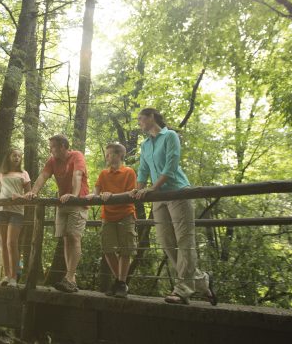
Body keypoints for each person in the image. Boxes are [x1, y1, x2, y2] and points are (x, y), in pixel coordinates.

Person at [131, 108, 217, 305]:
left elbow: (171, 165)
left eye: (141, 118)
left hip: (178, 192)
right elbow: (143, 170)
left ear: (151, 117)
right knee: (166, 241)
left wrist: (152, 188)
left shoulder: (170, 135)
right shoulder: (145, 145)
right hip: (158, 198)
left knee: (184, 240)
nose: (139, 123)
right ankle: (202, 282)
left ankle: (183, 290)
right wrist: (138, 190)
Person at [23, 134, 89, 293]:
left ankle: (69, 277)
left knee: (74, 236)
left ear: (62, 146)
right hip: (62, 202)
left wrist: (73, 194)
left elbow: (77, 175)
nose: (50, 149)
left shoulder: (76, 156)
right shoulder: (52, 161)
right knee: (66, 238)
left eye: (52, 146)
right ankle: (70, 279)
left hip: (78, 201)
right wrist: (33, 192)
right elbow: (43, 176)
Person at [87, 142, 137, 298]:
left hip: (126, 213)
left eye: (109, 154)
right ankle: (120, 282)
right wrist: (93, 196)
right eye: (106, 154)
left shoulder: (129, 172)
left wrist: (111, 196)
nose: (106, 157)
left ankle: (120, 283)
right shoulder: (103, 174)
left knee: (125, 249)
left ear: (119, 155)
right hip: (107, 216)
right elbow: (97, 191)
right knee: (107, 249)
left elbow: (131, 193)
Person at [0, 148, 31, 286]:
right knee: (3, 243)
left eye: (19, 156)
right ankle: (6, 276)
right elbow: (2, 193)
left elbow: (30, 195)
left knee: (11, 243)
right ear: (8, 157)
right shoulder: (1, 174)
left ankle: (14, 277)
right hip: (0, 210)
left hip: (17, 211)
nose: (17, 158)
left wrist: (20, 196)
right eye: (14, 155)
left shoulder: (24, 174)